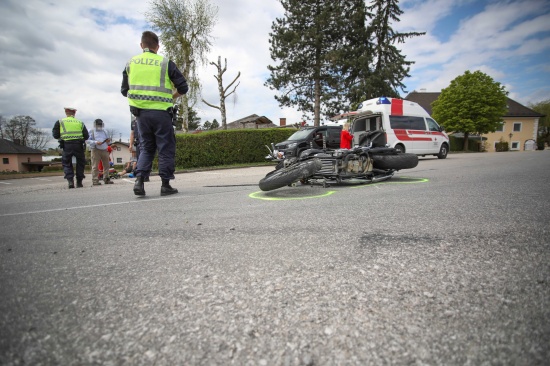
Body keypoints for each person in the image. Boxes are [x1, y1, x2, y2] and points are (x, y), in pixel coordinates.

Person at [121, 30, 188, 196]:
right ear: (158, 47)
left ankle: (139, 182)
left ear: (141, 45)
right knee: (165, 147)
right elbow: (183, 87)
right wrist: (172, 97)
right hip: (162, 113)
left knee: (146, 148)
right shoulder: (165, 62)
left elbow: (124, 91)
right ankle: (165, 185)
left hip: (141, 115)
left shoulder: (131, 63)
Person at [52, 107, 89, 188]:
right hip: (78, 145)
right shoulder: (80, 122)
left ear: (66, 113)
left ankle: (70, 181)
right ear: (74, 113)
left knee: (66, 163)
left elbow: (55, 135)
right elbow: (86, 136)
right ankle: (79, 182)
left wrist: (63, 137)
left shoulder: (60, 122)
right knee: (80, 163)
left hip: (66, 145)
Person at [87, 119, 113, 185]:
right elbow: (87, 141)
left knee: (106, 165)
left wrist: (108, 141)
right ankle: (95, 180)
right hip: (95, 149)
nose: (99, 126)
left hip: (104, 149)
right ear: (95, 124)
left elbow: (109, 142)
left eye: (100, 125)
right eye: (98, 125)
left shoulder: (105, 131)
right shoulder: (91, 131)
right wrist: (96, 142)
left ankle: (106, 178)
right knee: (95, 166)